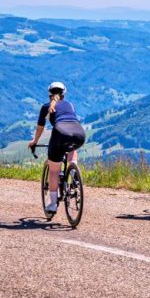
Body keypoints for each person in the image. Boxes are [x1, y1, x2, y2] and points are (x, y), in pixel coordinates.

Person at [28, 82, 86, 215]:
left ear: (49, 94)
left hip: (60, 133)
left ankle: (53, 204)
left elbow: (40, 128)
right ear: (64, 94)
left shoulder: (46, 107)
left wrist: (34, 142)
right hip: (79, 133)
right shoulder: (70, 105)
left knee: (54, 171)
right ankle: (73, 171)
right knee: (72, 146)